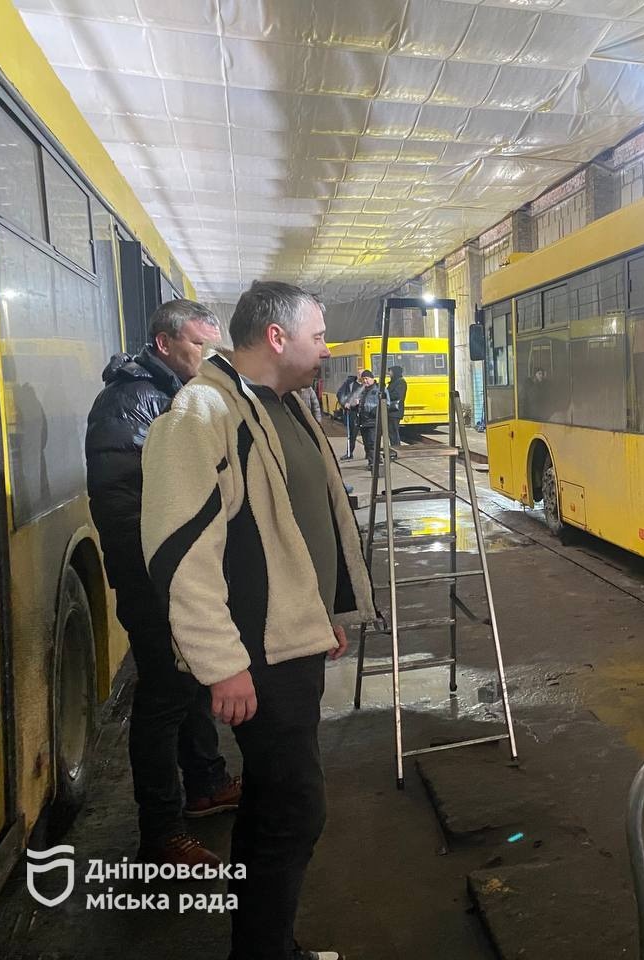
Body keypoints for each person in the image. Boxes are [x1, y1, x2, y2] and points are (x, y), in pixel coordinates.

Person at [142, 281, 375, 960]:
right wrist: (221, 664)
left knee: (274, 804)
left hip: (291, 643)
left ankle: (265, 946)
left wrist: (326, 611)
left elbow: (303, 518)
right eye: (318, 335)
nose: (326, 349)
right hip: (255, 657)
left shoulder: (283, 405)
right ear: (277, 337)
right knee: (295, 809)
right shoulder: (202, 414)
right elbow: (179, 552)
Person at [85, 299, 240, 867]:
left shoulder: (170, 392)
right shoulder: (131, 403)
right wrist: (164, 583)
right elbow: (126, 509)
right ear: (164, 343)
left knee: (190, 680)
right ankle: (161, 833)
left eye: (210, 343)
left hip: (173, 575)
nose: (207, 354)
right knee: (162, 699)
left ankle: (206, 784)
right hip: (153, 581)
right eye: (198, 344)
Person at [354, 370, 382, 472]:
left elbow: (385, 403)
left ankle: (375, 463)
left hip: (373, 421)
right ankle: (373, 462)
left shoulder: (379, 390)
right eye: (363, 379)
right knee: (367, 444)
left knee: (372, 443)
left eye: (367, 378)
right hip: (363, 421)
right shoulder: (363, 390)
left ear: (372, 379)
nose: (365, 381)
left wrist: (375, 411)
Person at [335, 369, 363, 459]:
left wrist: (360, 401)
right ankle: (349, 453)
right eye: (359, 374)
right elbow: (340, 393)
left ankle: (370, 455)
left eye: (363, 374)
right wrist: (344, 403)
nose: (361, 376)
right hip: (352, 412)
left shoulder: (366, 385)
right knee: (352, 434)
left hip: (364, 413)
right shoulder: (349, 383)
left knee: (367, 435)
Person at [385, 363, 407, 453]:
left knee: (394, 431)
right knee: (391, 431)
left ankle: (396, 450)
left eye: (390, 371)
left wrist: (386, 394)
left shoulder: (401, 382)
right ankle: (394, 449)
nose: (389, 373)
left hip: (395, 411)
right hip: (391, 411)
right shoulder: (394, 382)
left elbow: (397, 395)